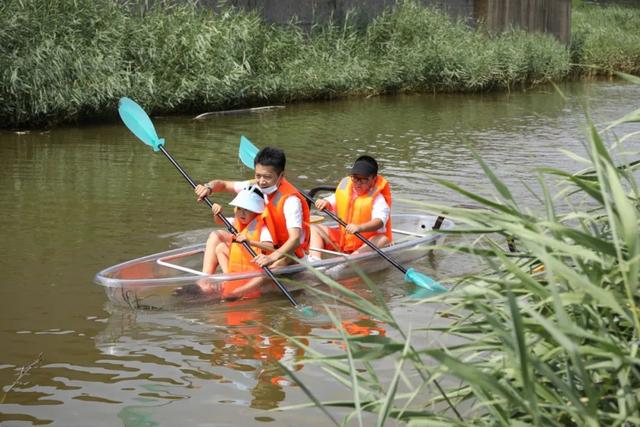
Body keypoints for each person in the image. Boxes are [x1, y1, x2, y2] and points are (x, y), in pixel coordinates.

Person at [194, 146, 310, 271]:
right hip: (256, 243)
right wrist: (208, 188)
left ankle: (240, 286)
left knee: (275, 265)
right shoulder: (254, 185)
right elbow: (224, 185)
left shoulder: (290, 201)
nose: (261, 181)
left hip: (286, 253)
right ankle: (205, 281)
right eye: (258, 175)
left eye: (267, 177)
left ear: (281, 176)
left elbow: (295, 239)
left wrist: (271, 258)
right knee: (216, 236)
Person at [308, 155, 392, 261]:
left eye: (363, 180)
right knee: (314, 228)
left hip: (365, 243)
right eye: (355, 178)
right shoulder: (346, 186)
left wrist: (360, 228)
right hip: (344, 240)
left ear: (373, 179)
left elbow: (379, 221)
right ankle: (315, 261)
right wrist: (325, 202)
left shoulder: (378, 199)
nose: (357, 183)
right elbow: (335, 198)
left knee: (383, 239)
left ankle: (346, 264)